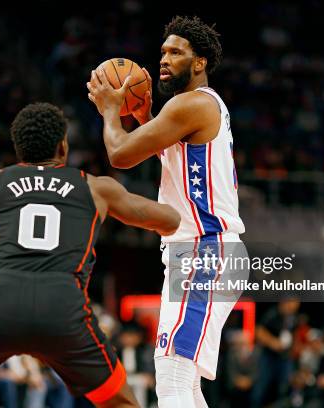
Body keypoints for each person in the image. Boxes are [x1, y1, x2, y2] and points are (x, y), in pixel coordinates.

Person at [0, 102, 180, 408]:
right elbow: (169, 220)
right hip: (63, 311)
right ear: (63, 146)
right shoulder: (97, 188)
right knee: (121, 403)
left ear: (19, 150)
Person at [87, 15, 245, 407]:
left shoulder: (190, 104)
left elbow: (120, 155)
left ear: (200, 62)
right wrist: (143, 120)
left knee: (172, 376)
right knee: (185, 384)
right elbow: (167, 151)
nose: (164, 58)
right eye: (162, 51)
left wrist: (110, 110)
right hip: (201, 253)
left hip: (207, 251)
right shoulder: (190, 108)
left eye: (176, 52)